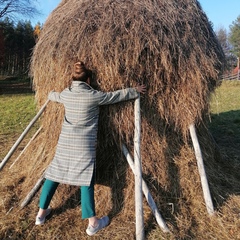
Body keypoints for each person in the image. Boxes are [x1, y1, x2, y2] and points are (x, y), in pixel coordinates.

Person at [35, 61, 146, 236]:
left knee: (53, 175)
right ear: (88, 80)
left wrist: (49, 92)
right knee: (85, 180)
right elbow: (115, 96)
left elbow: (52, 95)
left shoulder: (66, 94)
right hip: (83, 146)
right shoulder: (93, 96)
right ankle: (93, 222)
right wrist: (134, 91)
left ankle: (41, 214)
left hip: (65, 144)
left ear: (74, 81)